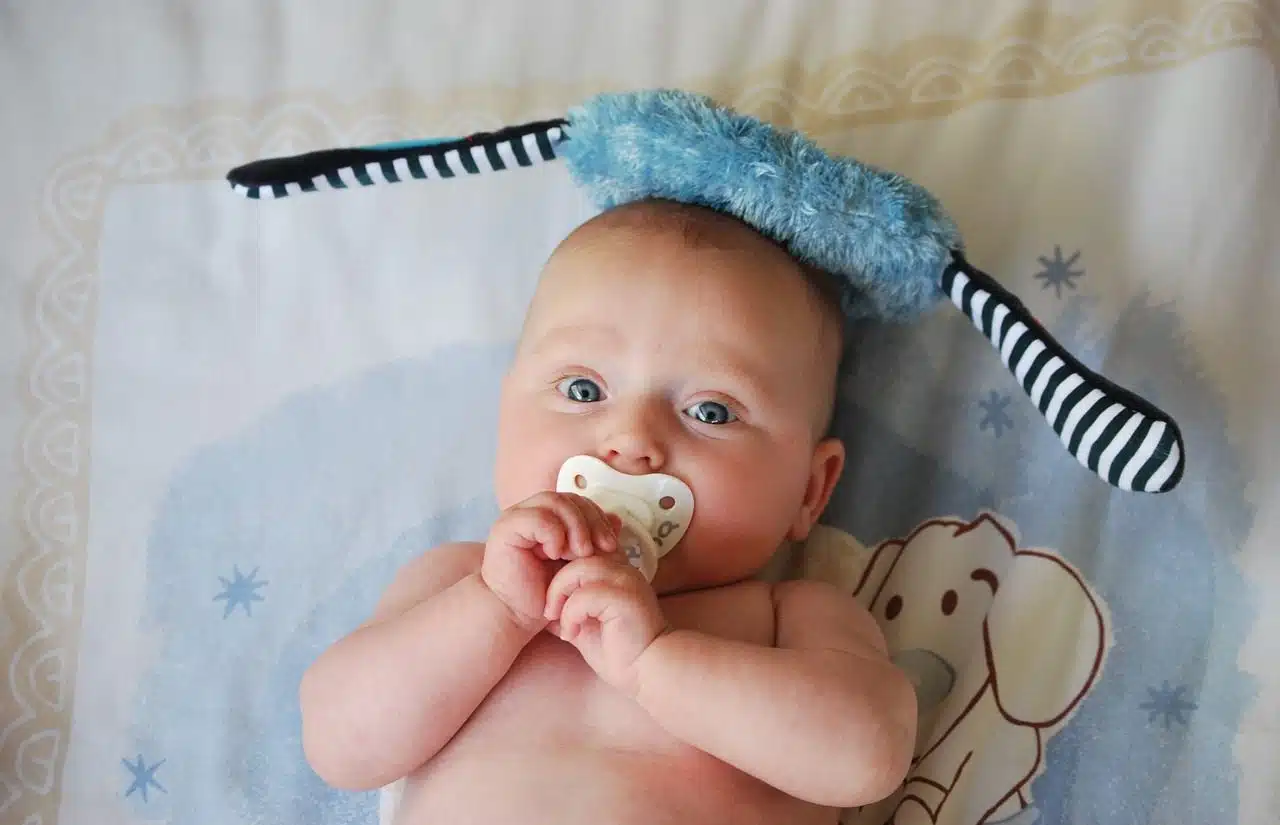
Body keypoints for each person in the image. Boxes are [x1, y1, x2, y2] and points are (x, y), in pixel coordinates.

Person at [299, 198, 917, 825]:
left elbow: (866, 758)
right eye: (583, 390)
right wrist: (498, 608)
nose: (630, 439)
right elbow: (339, 747)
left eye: (711, 411)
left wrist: (655, 663)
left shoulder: (791, 617)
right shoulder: (458, 580)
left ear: (811, 490)